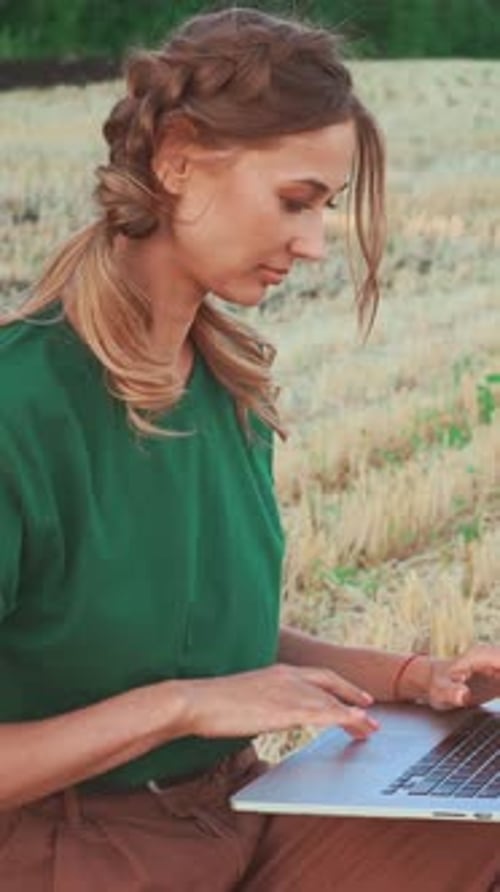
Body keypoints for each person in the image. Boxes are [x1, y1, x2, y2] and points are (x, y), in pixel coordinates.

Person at [0, 8, 498, 891]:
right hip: (67, 849)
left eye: (325, 211)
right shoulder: (20, 407)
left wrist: (415, 678)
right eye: (294, 202)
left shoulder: (223, 386)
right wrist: (182, 709)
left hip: (234, 811)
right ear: (178, 156)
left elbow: (172, 634)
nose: (312, 246)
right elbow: (183, 684)